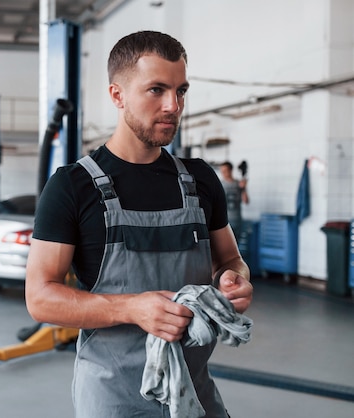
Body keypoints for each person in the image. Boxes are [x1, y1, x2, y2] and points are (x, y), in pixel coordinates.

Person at [25, 30, 253, 417]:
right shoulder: (73, 187)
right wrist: (131, 308)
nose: (173, 105)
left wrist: (234, 281)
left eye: (181, 91)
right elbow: (40, 297)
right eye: (157, 90)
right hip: (115, 398)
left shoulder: (200, 180)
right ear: (117, 95)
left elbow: (230, 259)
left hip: (193, 393)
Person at [219, 161, 249, 239]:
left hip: (237, 221)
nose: (223, 173)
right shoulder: (219, 184)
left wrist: (244, 188)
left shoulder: (239, 184)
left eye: (225, 171)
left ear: (231, 170)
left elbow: (246, 201)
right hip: (223, 222)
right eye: (222, 171)